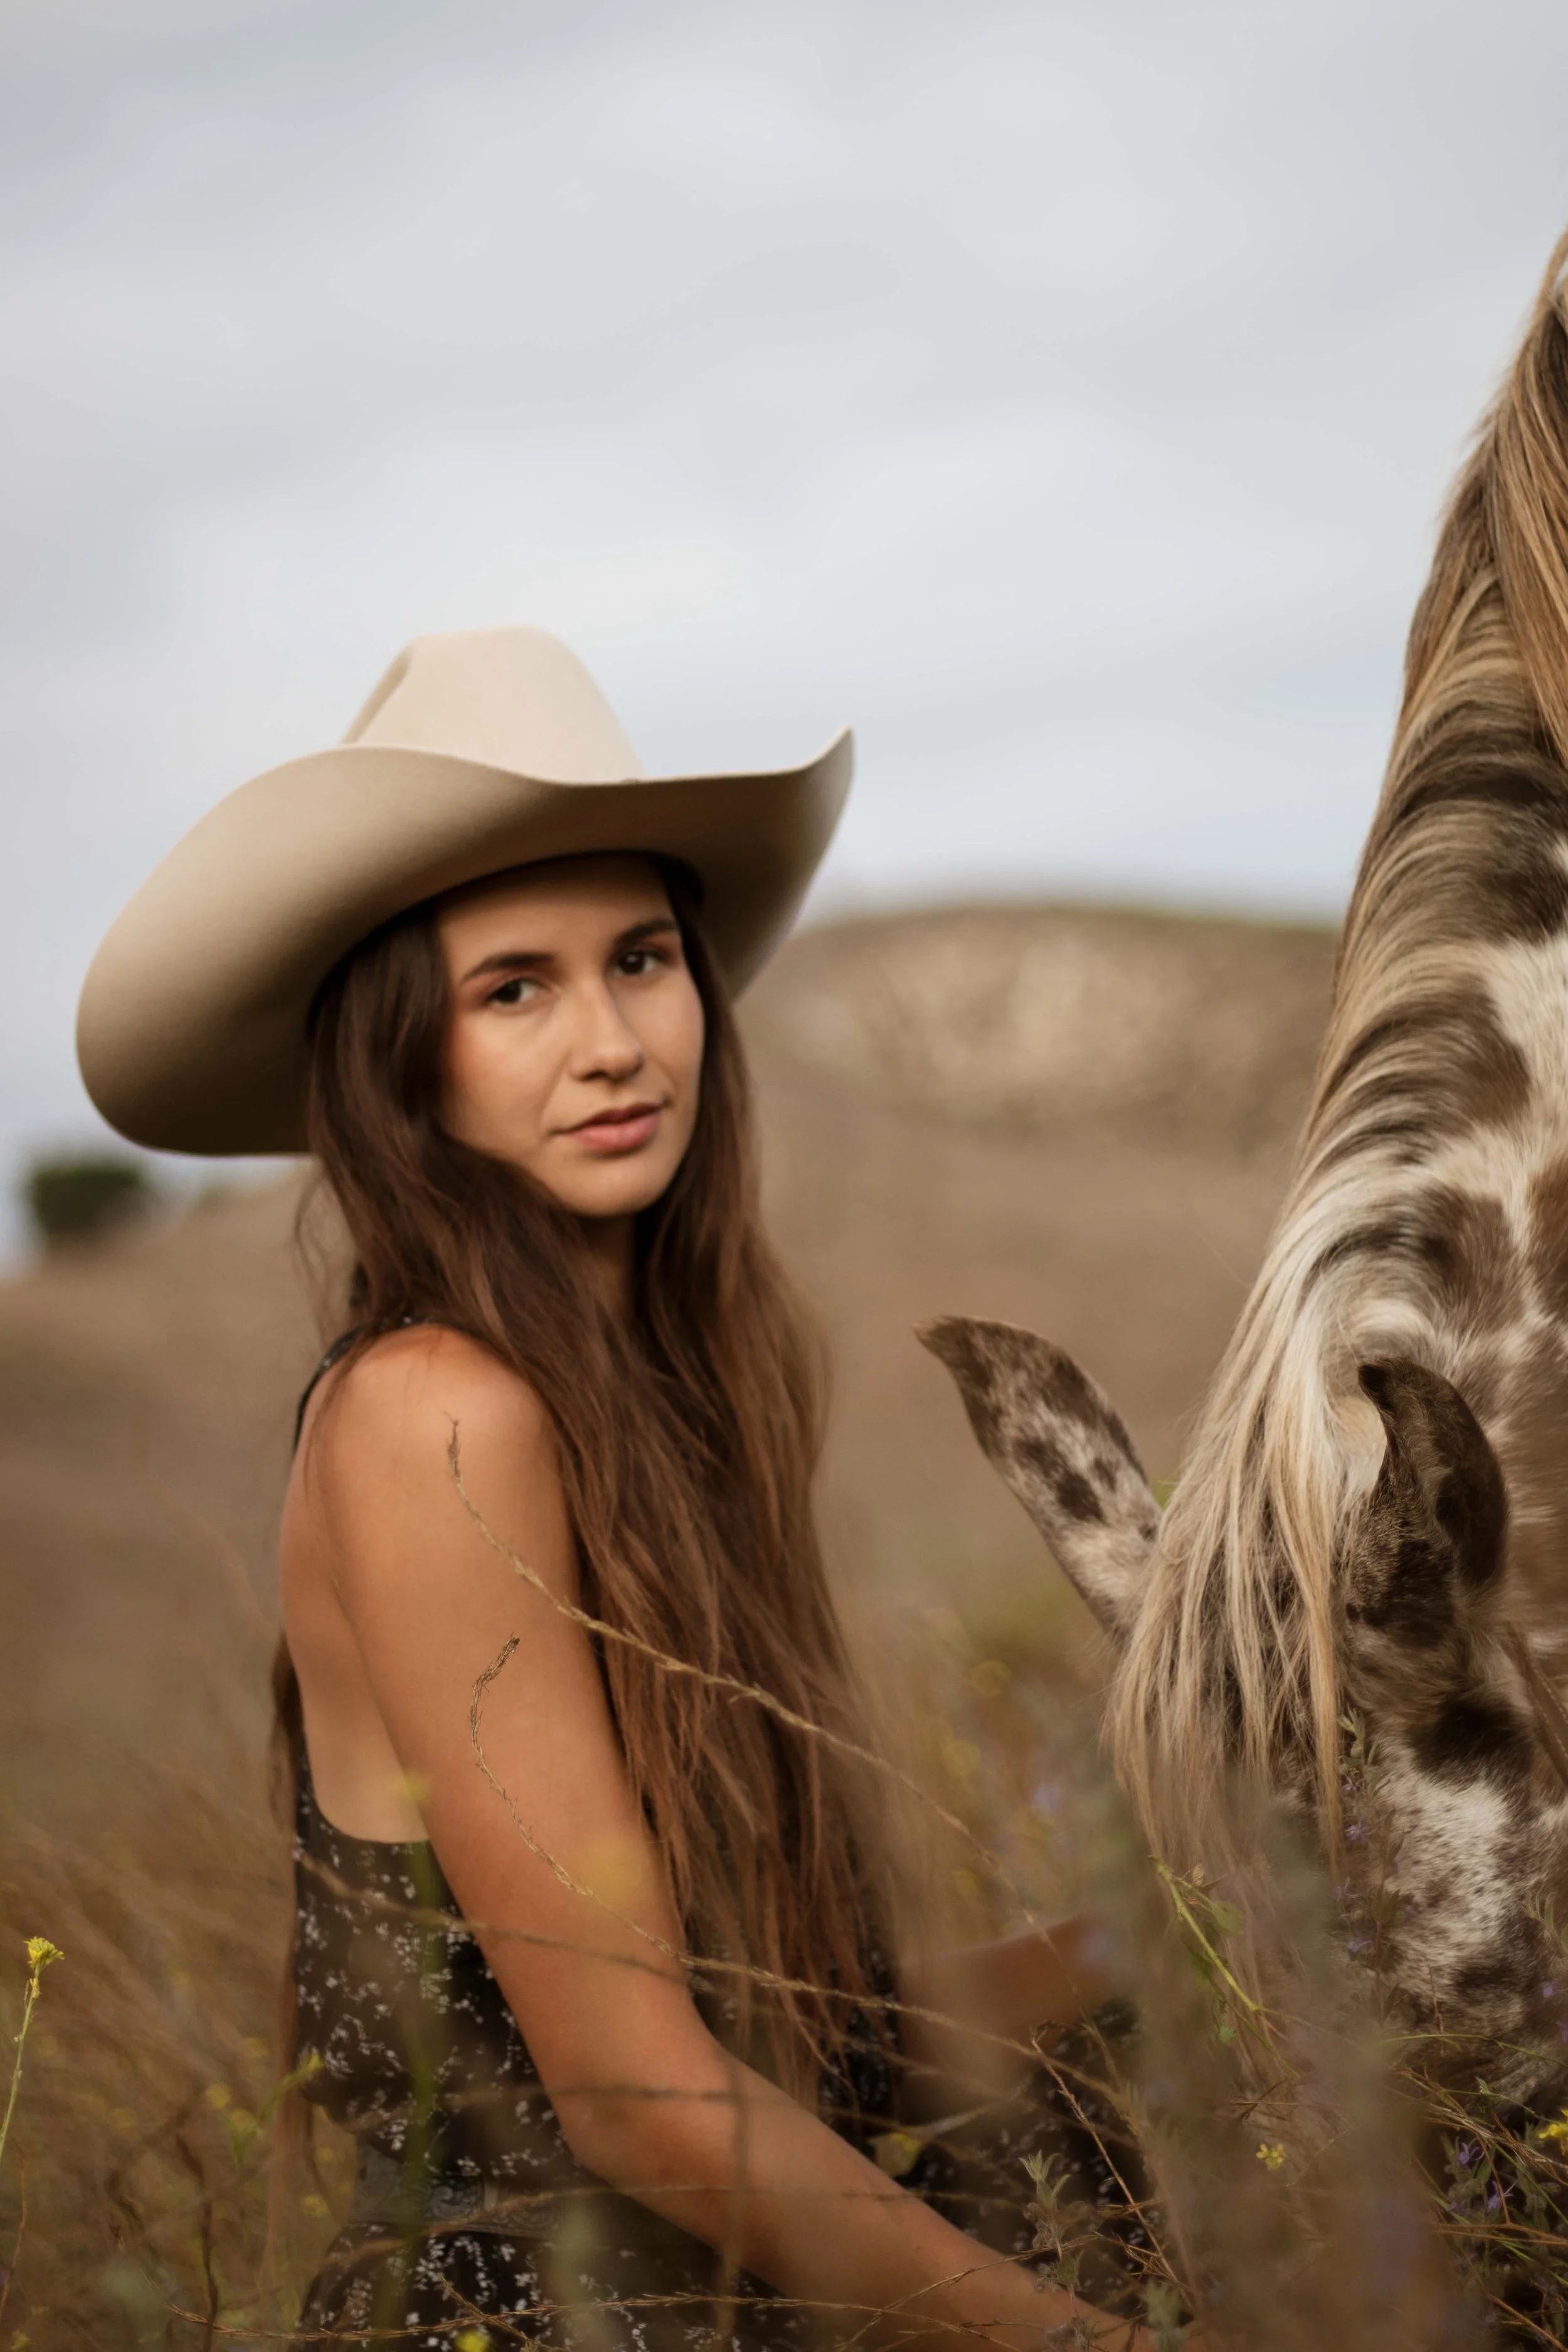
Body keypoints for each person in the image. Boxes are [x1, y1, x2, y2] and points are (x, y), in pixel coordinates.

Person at [77, 628, 1149, 2348]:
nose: (611, 1041)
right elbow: (635, 2100)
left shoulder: (666, 1401)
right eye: (515, 987)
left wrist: (1201, 1922)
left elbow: (818, 2037)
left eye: (639, 958)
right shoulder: (433, 1412)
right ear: (399, 1054)